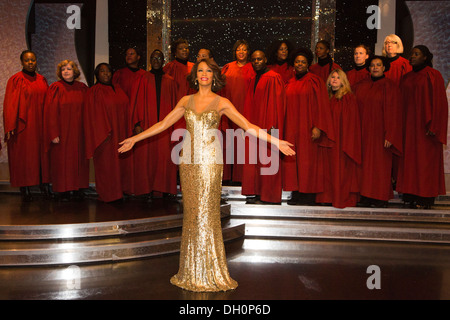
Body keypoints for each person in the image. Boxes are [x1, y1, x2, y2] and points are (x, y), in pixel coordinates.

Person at [118, 58, 295, 292]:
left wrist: (276, 141)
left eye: (208, 71)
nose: (203, 74)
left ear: (214, 76)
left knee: (207, 215)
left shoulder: (221, 102)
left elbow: (248, 126)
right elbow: (162, 124)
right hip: (188, 164)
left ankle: (210, 270)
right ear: (195, 76)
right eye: (200, 70)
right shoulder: (186, 100)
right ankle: (192, 270)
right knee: (192, 215)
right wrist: (135, 138)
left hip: (210, 163)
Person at [397, 45, 448, 209]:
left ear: (425, 57)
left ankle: (425, 198)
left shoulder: (433, 75)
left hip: (426, 130)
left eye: (416, 54)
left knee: (425, 164)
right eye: (411, 54)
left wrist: (435, 125)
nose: (412, 57)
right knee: (410, 163)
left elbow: (440, 103)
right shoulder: (406, 78)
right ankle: (410, 195)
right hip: (409, 128)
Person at [282, 48, 335, 206]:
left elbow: (322, 105)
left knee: (308, 162)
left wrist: (318, 126)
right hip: (292, 128)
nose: (299, 64)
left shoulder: (315, 81)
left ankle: (308, 194)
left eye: (303, 62)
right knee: (293, 160)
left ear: (308, 64)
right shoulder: (289, 83)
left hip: (308, 128)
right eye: (297, 61)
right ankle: (296, 192)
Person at [353, 56, 402, 207]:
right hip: (363, 133)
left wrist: (391, 134)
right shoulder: (360, 85)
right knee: (364, 167)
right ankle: (366, 196)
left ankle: (379, 198)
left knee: (380, 166)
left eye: (378, 65)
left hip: (381, 134)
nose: (375, 68)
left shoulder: (390, 86)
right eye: (372, 65)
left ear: (384, 67)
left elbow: (395, 112)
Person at [129, 49, 178, 200]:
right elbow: (135, 103)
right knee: (146, 159)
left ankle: (164, 189)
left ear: (163, 60)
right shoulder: (142, 79)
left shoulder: (170, 81)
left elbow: (176, 106)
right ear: (150, 60)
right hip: (147, 125)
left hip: (166, 127)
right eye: (153, 57)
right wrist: (137, 123)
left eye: (159, 57)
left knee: (165, 158)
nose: (156, 60)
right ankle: (146, 190)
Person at [3, 50, 50, 201]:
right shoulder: (16, 80)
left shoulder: (42, 79)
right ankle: (25, 188)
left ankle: (43, 185)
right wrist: (10, 126)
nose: (30, 63)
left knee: (41, 157)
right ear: (22, 62)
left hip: (41, 125)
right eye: (27, 60)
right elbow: (9, 105)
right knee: (25, 158)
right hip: (24, 127)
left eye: (33, 60)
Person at [241, 50, 286, 204]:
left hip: (268, 125)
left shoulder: (274, 77)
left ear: (265, 59)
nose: (256, 62)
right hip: (253, 125)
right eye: (253, 60)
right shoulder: (253, 78)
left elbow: (277, 103)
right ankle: (254, 193)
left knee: (267, 161)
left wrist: (272, 125)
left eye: (259, 59)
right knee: (252, 160)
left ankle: (268, 196)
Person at [84, 63, 130, 202]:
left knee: (120, 165)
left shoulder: (118, 89)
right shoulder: (94, 91)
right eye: (102, 71)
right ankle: (108, 195)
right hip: (105, 135)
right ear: (97, 74)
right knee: (107, 166)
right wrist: (104, 131)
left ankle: (120, 192)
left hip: (120, 133)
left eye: (108, 71)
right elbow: (93, 115)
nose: (106, 74)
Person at [43, 60, 89, 201]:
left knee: (79, 161)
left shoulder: (82, 88)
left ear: (75, 71)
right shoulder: (55, 88)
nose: (66, 71)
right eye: (63, 69)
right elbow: (50, 112)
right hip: (62, 133)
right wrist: (53, 133)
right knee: (62, 162)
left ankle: (78, 189)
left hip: (79, 133)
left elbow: (89, 111)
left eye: (69, 69)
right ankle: (63, 191)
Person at [316, 69, 361, 208]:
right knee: (327, 171)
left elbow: (351, 122)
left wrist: (345, 141)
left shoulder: (347, 98)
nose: (334, 80)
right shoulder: (326, 97)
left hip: (341, 141)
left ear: (343, 81)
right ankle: (327, 197)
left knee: (340, 171)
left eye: (338, 77)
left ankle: (340, 198)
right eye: (332, 77)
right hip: (327, 141)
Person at [220, 40, 255, 183]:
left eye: (244, 49)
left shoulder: (253, 68)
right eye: (238, 49)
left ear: (248, 52)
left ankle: (242, 177)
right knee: (228, 142)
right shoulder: (228, 68)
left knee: (244, 145)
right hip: (229, 110)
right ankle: (227, 177)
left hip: (246, 110)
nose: (241, 52)